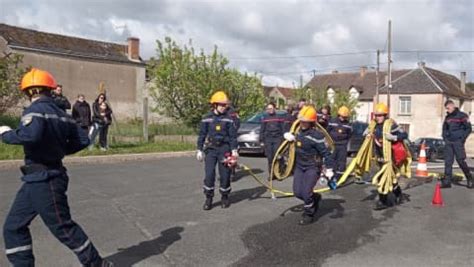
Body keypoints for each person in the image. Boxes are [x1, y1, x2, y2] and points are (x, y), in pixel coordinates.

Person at [0, 68, 112, 266]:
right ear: (50, 89)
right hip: (37, 179)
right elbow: (82, 140)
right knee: (13, 227)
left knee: (63, 228)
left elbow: (30, 135)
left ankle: (97, 264)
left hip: (45, 179)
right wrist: (61, 149)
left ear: (29, 92)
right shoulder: (62, 114)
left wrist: (6, 134)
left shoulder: (34, 110)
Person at [283, 106, 334, 225]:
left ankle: (309, 213)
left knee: (306, 192)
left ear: (311, 122)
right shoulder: (297, 131)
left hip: (312, 166)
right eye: (301, 120)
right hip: (300, 165)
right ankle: (315, 198)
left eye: (305, 121)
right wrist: (289, 137)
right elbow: (293, 140)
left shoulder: (318, 136)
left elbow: (326, 153)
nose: (302, 123)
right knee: (297, 192)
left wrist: (329, 168)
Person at [196, 91, 238, 210]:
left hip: (224, 149)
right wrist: (199, 150)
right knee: (209, 175)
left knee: (225, 175)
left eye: (225, 105)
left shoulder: (229, 119)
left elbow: (232, 136)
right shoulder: (206, 119)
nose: (224, 107)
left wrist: (234, 150)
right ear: (214, 105)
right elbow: (202, 135)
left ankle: (224, 197)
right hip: (211, 149)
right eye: (222, 105)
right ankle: (209, 198)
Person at [366, 103, 408, 210]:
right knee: (384, 178)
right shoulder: (374, 125)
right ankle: (395, 195)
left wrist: (394, 137)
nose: (378, 117)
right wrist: (368, 134)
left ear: (385, 115)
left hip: (391, 157)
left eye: (380, 115)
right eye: (376, 115)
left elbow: (404, 135)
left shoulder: (391, 125)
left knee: (388, 178)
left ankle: (384, 201)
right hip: (380, 156)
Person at [441, 100, 473, 189]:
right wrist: (445, 138)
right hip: (449, 142)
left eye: (448, 108)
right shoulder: (448, 117)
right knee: (448, 162)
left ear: (452, 106)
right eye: (446, 108)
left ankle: (470, 178)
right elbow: (444, 129)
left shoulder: (462, 116)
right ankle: (447, 182)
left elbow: (468, 129)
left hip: (458, 142)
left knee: (461, 161)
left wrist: (462, 139)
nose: (447, 110)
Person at [259, 102, 285, 180]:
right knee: (270, 158)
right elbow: (262, 130)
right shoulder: (265, 118)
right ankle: (271, 174)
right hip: (268, 139)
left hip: (277, 139)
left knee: (278, 157)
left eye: (271, 108)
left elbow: (282, 129)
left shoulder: (279, 117)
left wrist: (283, 140)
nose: (270, 110)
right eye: (268, 109)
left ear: (274, 108)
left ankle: (279, 174)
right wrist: (261, 140)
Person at [327, 106, 352, 182]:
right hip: (333, 144)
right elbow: (327, 132)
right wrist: (327, 142)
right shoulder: (332, 121)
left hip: (342, 145)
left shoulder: (348, 124)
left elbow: (349, 135)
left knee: (341, 162)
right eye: (342, 116)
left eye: (345, 117)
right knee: (331, 160)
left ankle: (340, 179)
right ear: (339, 115)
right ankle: (331, 177)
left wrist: (346, 143)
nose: (343, 118)